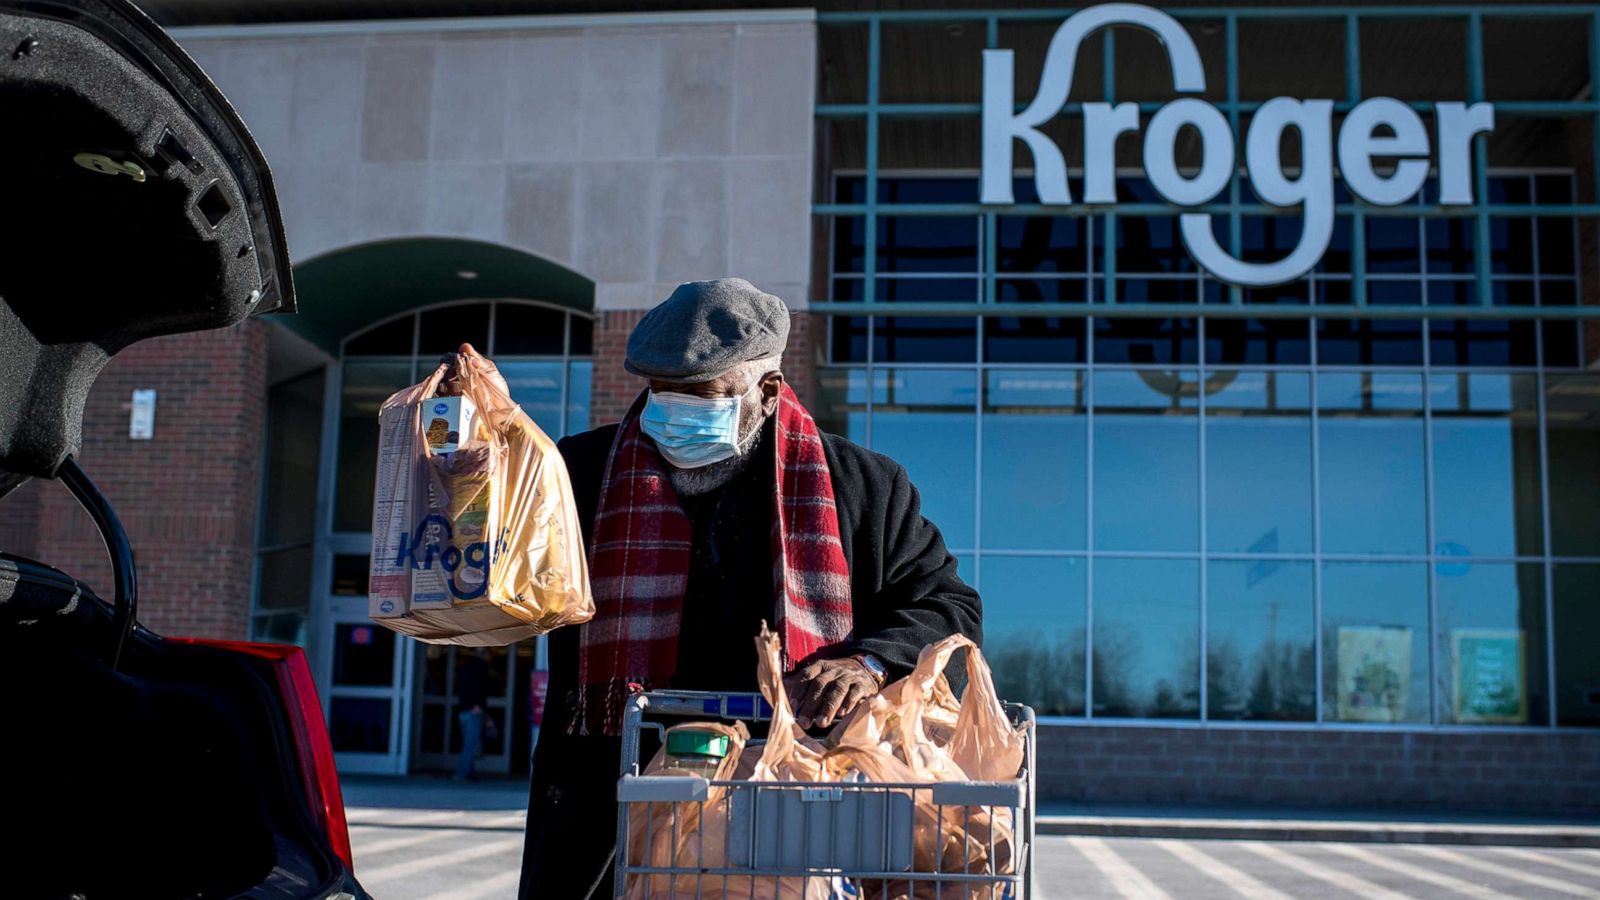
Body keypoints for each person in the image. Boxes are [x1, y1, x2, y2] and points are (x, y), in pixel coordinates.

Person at [499, 278, 982, 897]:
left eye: (702, 398)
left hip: (789, 804)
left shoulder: (862, 486)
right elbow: (508, 582)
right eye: (660, 395)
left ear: (769, 391)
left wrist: (868, 662)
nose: (673, 417)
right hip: (606, 804)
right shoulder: (579, 472)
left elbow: (949, 606)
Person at [453, 647, 490, 782]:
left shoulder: (465, 667)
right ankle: (462, 773)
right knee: (471, 744)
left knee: (469, 743)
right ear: (484, 654)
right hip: (473, 710)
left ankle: (469, 771)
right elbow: (480, 688)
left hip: (463, 710)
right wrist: (478, 705)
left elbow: (461, 687)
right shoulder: (481, 667)